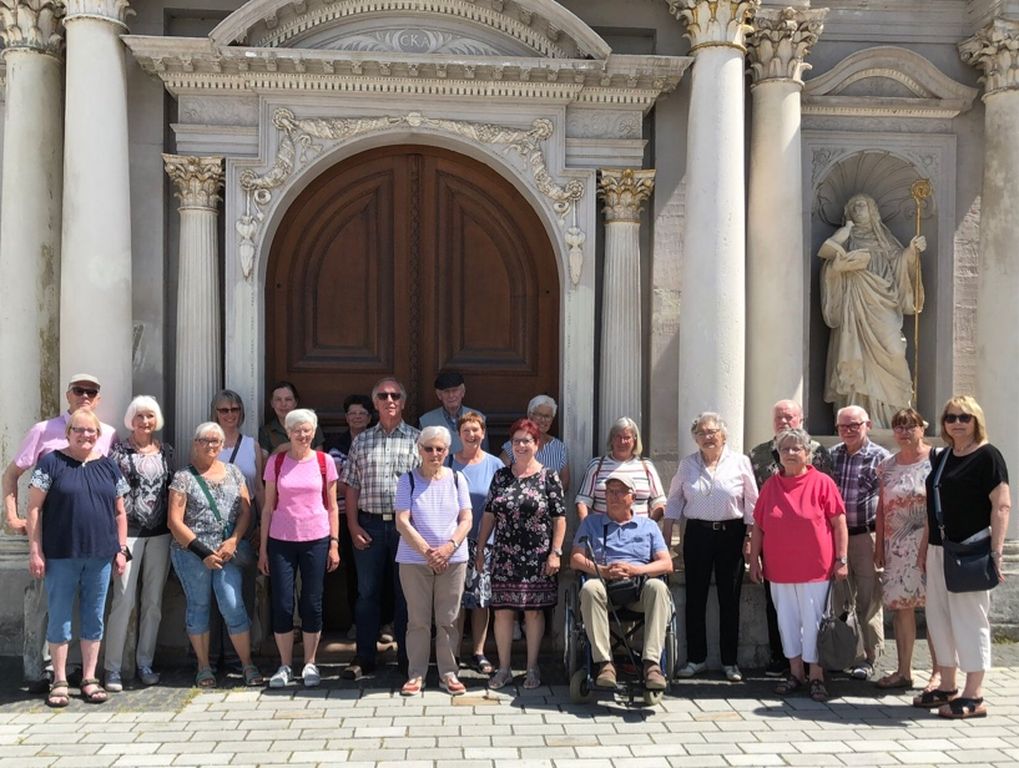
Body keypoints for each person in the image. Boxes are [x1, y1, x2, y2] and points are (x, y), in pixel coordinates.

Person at [3, 373, 118, 693]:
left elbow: (113, 494)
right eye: (79, 390)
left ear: (98, 399)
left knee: (89, 611)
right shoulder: (43, 430)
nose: (85, 395)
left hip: (94, 543)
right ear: (68, 394)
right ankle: (41, 673)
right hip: (54, 540)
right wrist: (13, 516)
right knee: (47, 608)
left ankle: (83, 673)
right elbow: (12, 473)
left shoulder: (107, 434)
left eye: (91, 391)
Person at [913, 396, 1010, 719]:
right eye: (951, 417)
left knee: (970, 620)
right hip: (940, 549)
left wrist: (996, 552)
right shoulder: (943, 457)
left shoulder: (988, 456)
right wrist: (925, 546)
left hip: (970, 548)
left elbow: (1001, 506)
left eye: (964, 417)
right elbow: (933, 506)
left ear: (976, 421)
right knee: (939, 619)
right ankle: (948, 683)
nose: (957, 422)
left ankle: (975, 693)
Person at [25, 408, 129, 707]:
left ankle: (89, 678)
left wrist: (120, 549)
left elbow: (120, 512)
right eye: (79, 430)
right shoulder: (51, 463)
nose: (85, 435)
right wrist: (36, 550)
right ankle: (58, 680)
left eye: (91, 431)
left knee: (94, 617)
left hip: (100, 555)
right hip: (60, 554)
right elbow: (34, 509)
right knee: (60, 616)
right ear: (68, 433)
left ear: (98, 435)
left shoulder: (109, 466)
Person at [748, 427, 849, 703]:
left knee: (815, 623)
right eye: (785, 449)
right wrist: (754, 560)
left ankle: (816, 675)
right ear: (777, 454)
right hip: (779, 570)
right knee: (787, 623)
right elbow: (758, 526)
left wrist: (842, 559)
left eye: (796, 449)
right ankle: (796, 672)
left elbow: (839, 523)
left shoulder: (823, 483)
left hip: (816, 569)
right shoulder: (770, 485)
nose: (790, 453)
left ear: (807, 453)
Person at [818, 193, 926, 427]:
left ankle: (894, 417)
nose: (858, 209)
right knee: (856, 357)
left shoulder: (884, 238)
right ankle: (859, 418)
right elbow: (829, 266)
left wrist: (911, 252)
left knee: (895, 352)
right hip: (854, 307)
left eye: (863, 204)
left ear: (872, 210)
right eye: (853, 205)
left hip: (883, 304)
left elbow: (898, 265)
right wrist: (839, 267)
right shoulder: (845, 237)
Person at [664, 413, 758, 683]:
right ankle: (696, 658)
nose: (708, 436)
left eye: (712, 431)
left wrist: (750, 536)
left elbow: (752, 501)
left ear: (723, 435)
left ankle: (730, 662)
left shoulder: (740, 462)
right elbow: (674, 500)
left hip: (732, 533)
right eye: (702, 432)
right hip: (697, 534)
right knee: (696, 597)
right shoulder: (687, 464)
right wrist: (667, 533)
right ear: (695, 438)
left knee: (729, 598)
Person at [167, 422, 261, 688]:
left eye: (215, 442)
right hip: (192, 554)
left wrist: (233, 540)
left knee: (232, 604)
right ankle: (203, 666)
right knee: (199, 607)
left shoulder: (234, 473)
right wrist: (202, 552)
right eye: (204, 440)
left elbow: (246, 511)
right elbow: (174, 522)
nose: (210, 446)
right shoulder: (183, 477)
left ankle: (246, 664)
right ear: (195, 444)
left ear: (222, 446)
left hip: (226, 553)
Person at [477, 418, 567, 690]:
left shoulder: (549, 476)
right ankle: (504, 669)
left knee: (533, 613)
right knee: (502, 611)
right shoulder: (501, 475)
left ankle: (531, 668)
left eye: (526, 440)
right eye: (516, 441)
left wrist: (556, 552)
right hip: (504, 553)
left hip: (537, 555)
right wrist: (481, 549)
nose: (521, 445)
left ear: (536, 445)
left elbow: (559, 518)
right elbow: (489, 514)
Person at [341, 377, 420, 679]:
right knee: (367, 593)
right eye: (384, 396)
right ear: (375, 403)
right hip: (370, 526)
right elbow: (351, 486)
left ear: (403, 402)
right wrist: (351, 525)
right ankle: (364, 656)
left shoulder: (416, 439)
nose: (390, 400)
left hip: (407, 529)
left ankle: (407, 658)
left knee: (406, 595)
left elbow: (425, 485)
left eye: (395, 395)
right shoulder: (361, 441)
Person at [571, 471, 674, 691]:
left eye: (619, 492)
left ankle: (652, 664)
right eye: (610, 492)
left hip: (638, 588)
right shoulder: (591, 523)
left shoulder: (648, 526)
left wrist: (637, 570)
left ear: (632, 497)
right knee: (589, 587)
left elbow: (666, 564)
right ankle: (605, 663)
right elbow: (576, 559)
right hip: (605, 588)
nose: (613, 496)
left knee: (658, 586)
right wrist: (603, 571)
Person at [259, 409, 340, 688]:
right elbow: (268, 507)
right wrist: (263, 549)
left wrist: (334, 543)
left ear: (313, 432)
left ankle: (309, 663)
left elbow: (332, 506)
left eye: (307, 430)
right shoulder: (276, 461)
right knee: (282, 602)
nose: (303, 435)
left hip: (316, 538)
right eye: (297, 430)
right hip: (281, 539)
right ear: (288, 432)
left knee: (312, 602)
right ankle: (284, 664)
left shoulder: (324, 461)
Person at [394, 426, 473, 695]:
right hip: (414, 560)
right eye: (429, 448)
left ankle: (448, 674)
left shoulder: (457, 479)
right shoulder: (408, 480)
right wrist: (428, 552)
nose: (434, 453)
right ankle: (416, 675)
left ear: (447, 451)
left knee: (449, 620)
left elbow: (467, 518)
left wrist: (449, 548)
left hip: (453, 560)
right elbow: (402, 521)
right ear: (419, 450)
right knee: (417, 620)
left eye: (440, 448)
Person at [104, 397, 174, 692]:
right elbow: (111, 496)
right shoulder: (118, 453)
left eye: (149, 416)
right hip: (128, 534)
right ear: (130, 420)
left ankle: (145, 661)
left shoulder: (166, 451)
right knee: (123, 599)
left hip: (159, 534)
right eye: (139, 416)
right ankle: (112, 668)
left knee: (154, 602)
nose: (145, 422)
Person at [873, 407, 939, 691]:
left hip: (931, 543)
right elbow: (881, 506)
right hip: (896, 546)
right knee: (902, 608)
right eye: (898, 427)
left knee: (937, 609)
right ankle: (904, 671)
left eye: (910, 426)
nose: (903, 432)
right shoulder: (886, 466)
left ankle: (939, 673)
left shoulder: (937, 460)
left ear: (922, 429)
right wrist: (879, 543)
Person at [830, 405, 890, 680]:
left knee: (869, 597)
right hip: (836, 538)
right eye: (843, 426)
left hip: (867, 536)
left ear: (867, 425)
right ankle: (847, 654)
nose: (849, 430)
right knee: (840, 599)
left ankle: (870, 657)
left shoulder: (882, 458)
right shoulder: (832, 456)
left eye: (854, 425)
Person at [449, 411, 505, 675]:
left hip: (487, 541)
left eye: (476, 430)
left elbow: (500, 505)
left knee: (481, 598)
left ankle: (479, 651)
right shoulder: (448, 462)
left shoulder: (495, 465)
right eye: (466, 431)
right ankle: (454, 651)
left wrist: (485, 545)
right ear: (459, 435)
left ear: (483, 433)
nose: (471, 435)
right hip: (454, 541)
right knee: (456, 598)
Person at [324, 393, 373, 640]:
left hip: (370, 515)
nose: (357, 417)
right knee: (348, 572)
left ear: (369, 417)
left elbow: (348, 482)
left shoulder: (376, 442)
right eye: (352, 413)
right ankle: (354, 623)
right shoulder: (337, 446)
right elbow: (336, 484)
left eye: (362, 413)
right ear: (346, 417)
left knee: (373, 573)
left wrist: (352, 483)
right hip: (342, 517)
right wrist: (364, 484)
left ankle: (383, 624)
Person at [575, 417, 666, 522]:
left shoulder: (646, 467)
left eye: (627, 437)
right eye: (618, 437)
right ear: (612, 439)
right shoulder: (596, 466)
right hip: (603, 532)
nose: (622, 442)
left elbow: (659, 501)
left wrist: (649, 526)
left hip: (639, 534)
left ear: (635, 440)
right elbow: (583, 501)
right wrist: (588, 529)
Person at [499, 395, 570, 491]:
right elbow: (501, 477)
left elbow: (564, 482)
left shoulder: (559, 447)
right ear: (530, 416)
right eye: (539, 415)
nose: (543, 420)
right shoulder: (514, 445)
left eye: (547, 416)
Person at [418, 371, 488, 454]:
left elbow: (485, 453)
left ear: (462, 392)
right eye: (446, 391)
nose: (451, 395)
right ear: (439, 395)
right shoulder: (426, 421)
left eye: (455, 390)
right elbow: (422, 455)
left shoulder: (478, 418)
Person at [258, 381, 325, 455]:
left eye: (288, 399)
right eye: (278, 399)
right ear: (272, 403)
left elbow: (319, 460)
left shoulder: (311, 426)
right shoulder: (266, 432)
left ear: (295, 402)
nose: (283, 404)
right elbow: (264, 465)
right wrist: (281, 449)